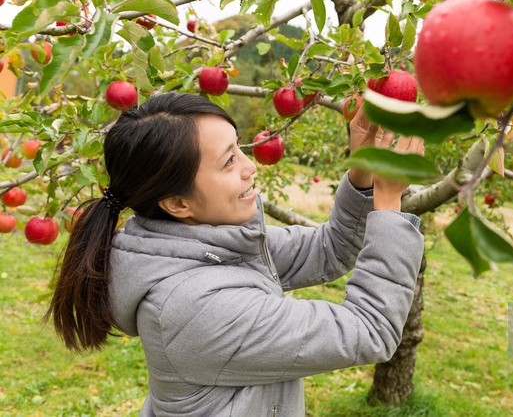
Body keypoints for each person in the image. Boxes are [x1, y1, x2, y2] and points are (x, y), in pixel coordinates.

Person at [44, 92, 425, 416]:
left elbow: (330, 250)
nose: (251, 166)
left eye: (240, 148)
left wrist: (363, 174)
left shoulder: (213, 242)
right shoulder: (193, 306)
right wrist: (388, 200)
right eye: (229, 161)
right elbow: (370, 329)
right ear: (177, 202)